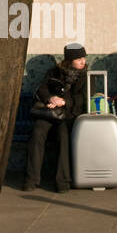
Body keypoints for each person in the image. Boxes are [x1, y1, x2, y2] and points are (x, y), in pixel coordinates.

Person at [23, 43, 88, 192]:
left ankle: (62, 182)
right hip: (50, 113)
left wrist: (64, 101)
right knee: (37, 132)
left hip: (68, 115)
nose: (82, 61)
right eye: (78, 59)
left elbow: (84, 98)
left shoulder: (85, 75)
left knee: (63, 135)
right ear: (69, 60)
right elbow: (42, 89)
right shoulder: (54, 72)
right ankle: (31, 180)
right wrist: (51, 98)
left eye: (83, 58)